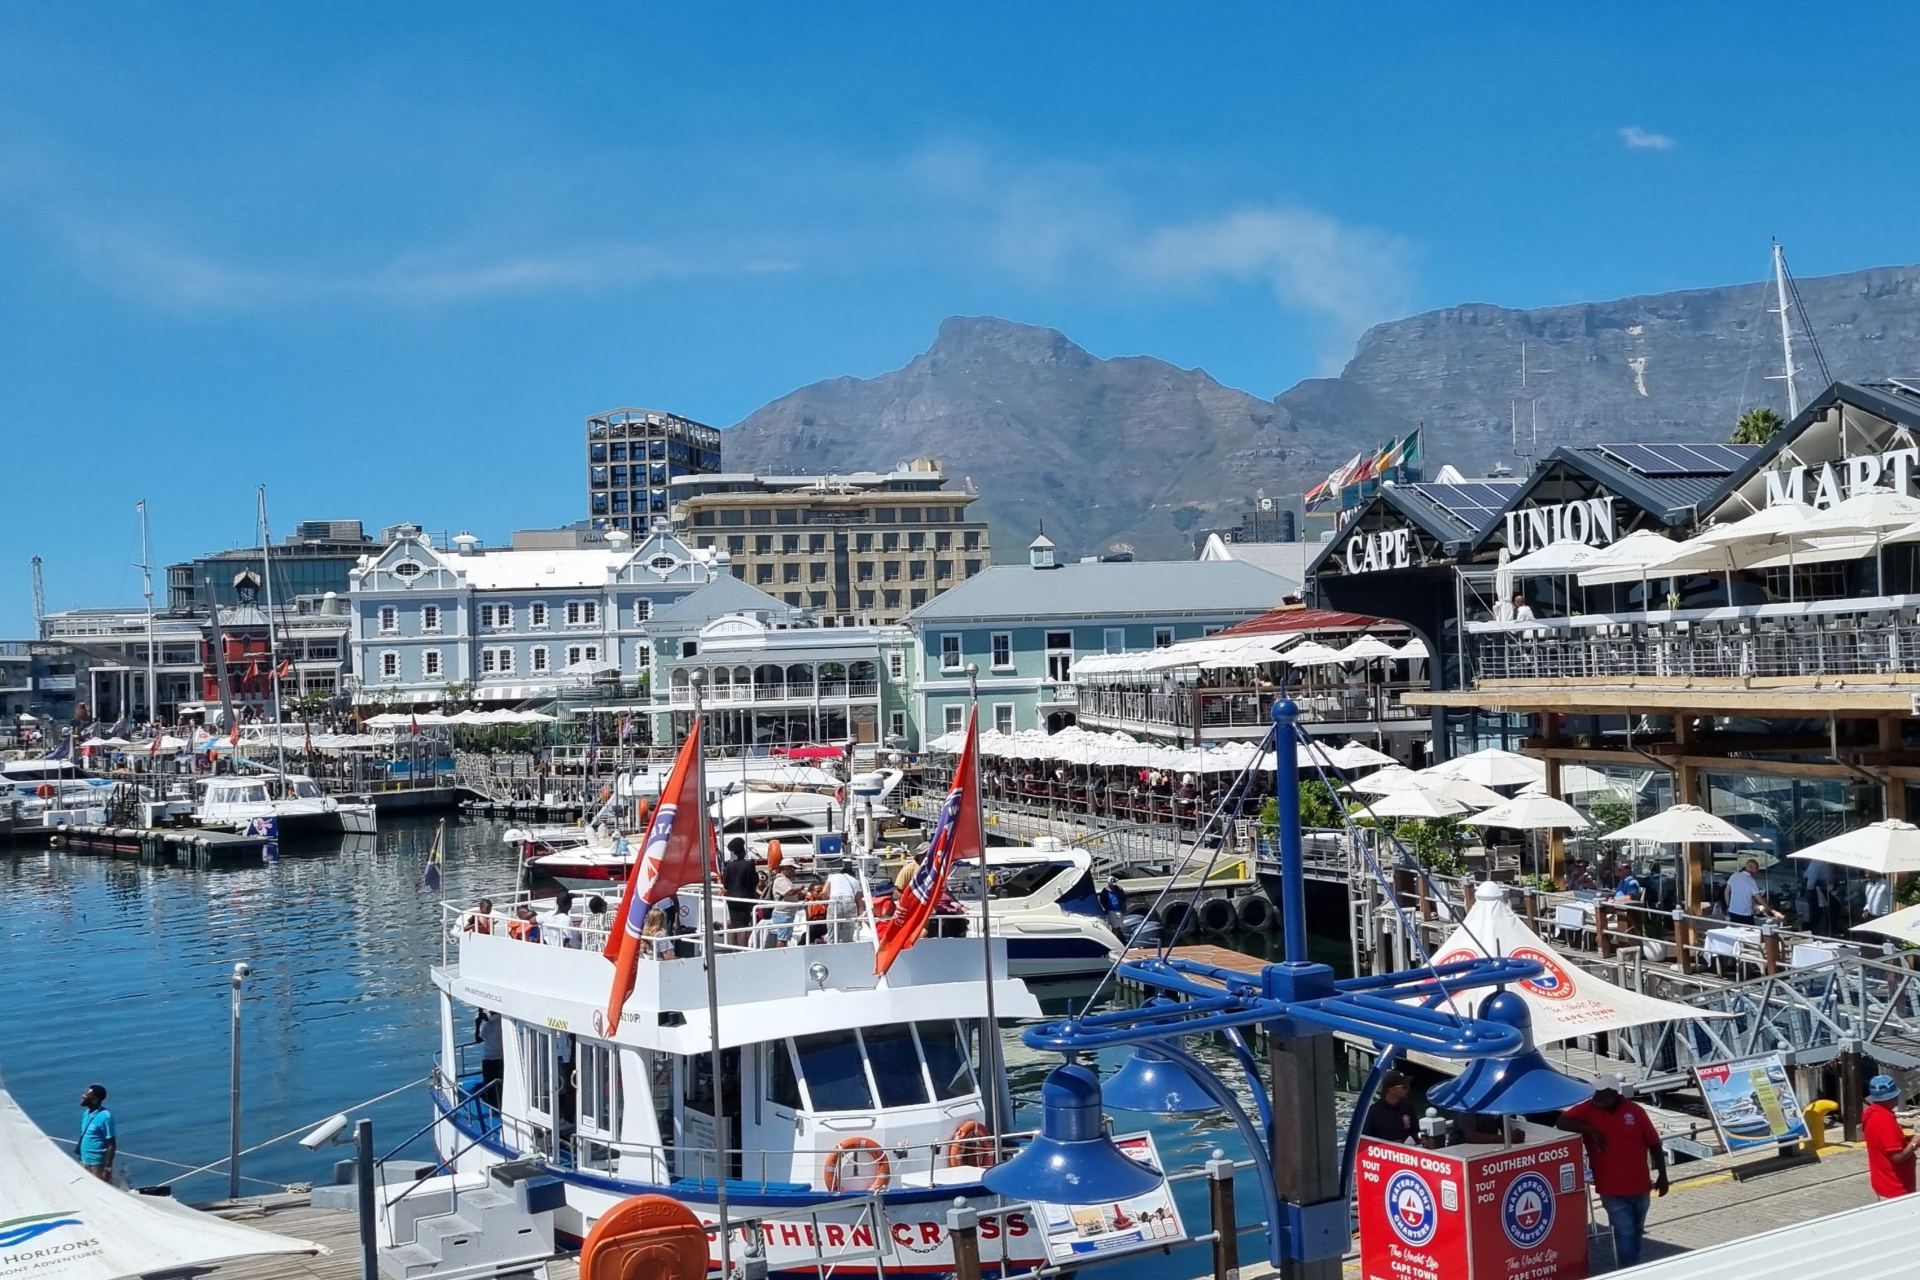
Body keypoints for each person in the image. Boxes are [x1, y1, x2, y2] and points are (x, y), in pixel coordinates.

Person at [1558, 1074, 1668, 1269]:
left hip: (1640, 1185)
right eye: (1595, 1092)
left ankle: (1633, 1267)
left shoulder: (1635, 1111)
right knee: (1625, 1232)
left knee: (1636, 1230)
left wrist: (1663, 1175)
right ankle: (1629, 1270)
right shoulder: (1588, 1109)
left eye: (1601, 1093)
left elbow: (1654, 1144)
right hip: (1611, 1189)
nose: (1597, 1096)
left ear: (1614, 1093)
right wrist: (1592, 1130)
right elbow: (1563, 1122)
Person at [1863, 1074, 1918, 1198]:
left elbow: (1883, 1143)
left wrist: (1905, 1140)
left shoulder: (1870, 1114)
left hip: (1881, 1183)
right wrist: (1914, 1143)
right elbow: (1897, 1157)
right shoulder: (1886, 1121)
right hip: (1895, 1188)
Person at [721, 838, 760, 946]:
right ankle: (743, 949)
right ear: (743, 851)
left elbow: (725, 884)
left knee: (734, 925)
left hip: (731, 900)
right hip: (745, 899)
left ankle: (734, 949)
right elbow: (754, 881)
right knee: (743, 926)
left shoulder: (729, 866)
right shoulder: (749, 865)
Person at [1361, 1071, 1417, 1144]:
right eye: (1404, 1087)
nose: (1408, 1088)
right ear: (1391, 1089)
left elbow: (1415, 1130)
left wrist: (1421, 1139)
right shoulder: (1373, 1111)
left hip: (1405, 1148)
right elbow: (1366, 1139)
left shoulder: (1408, 1107)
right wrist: (1390, 1145)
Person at [76, 1084, 115, 1181]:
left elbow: (111, 1144)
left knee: (101, 1187)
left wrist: (107, 1168)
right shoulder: (86, 1114)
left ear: (95, 1100)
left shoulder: (105, 1117)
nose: (83, 1096)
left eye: (86, 1094)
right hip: (84, 1160)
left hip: (97, 1163)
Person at [1723, 859, 1775, 926]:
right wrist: (1772, 911)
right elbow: (1759, 899)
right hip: (1745, 913)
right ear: (1750, 867)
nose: (1757, 871)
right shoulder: (1751, 880)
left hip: (1733, 911)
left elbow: (1726, 891)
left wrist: (1728, 905)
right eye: (1756, 868)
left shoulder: (1734, 876)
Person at [475, 1011, 504, 1109]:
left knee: (489, 1087)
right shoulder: (503, 1021)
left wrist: (477, 1025)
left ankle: (493, 1108)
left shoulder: (489, 1025)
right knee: (501, 1085)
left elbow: (478, 1039)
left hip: (488, 1059)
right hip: (500, 1058)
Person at [825, 865, 860, 943]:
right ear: (852, 875)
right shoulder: (855, 881)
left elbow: (824, 892)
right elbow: (859, 901)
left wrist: (827, 905)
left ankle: (832, 945)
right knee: (848, 938)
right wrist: (860, 919)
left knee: (832, 935)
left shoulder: (832, 877)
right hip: (849, 901)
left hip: (834, 902)